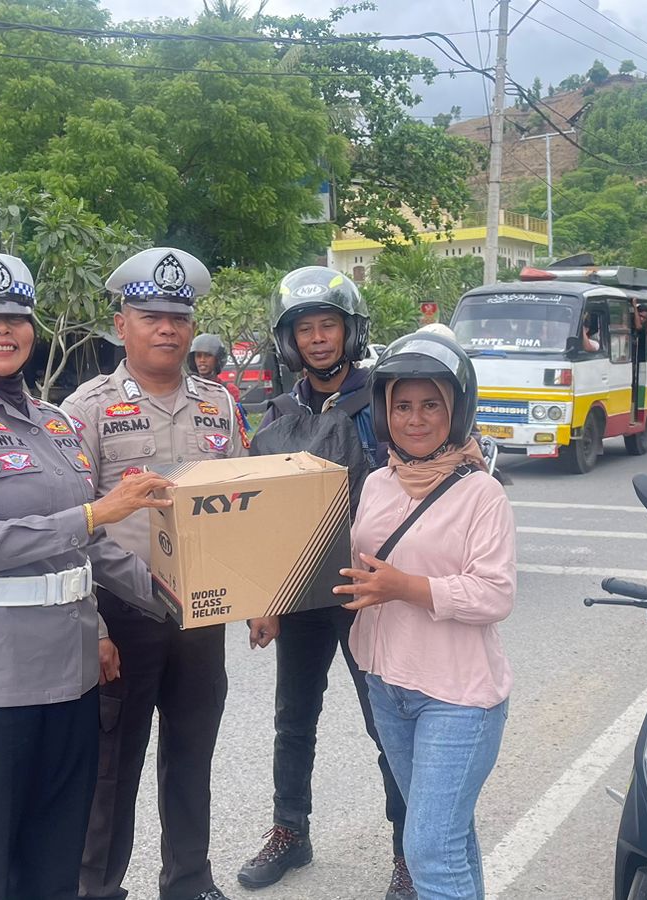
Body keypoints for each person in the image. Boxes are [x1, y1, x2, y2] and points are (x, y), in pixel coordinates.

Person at [0, 252, 174, 900]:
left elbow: (86, 545)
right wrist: (97, 510)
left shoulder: (54, 423)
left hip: (66, 684)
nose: (2, 329)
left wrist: (176, 596)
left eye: (16, 317)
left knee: (54, 872)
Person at [64, 248, 276, 900]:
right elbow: (72, 527)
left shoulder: (218, 404)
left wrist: (257, 595)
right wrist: (94, 628)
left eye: (178, 318)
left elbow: (240, 503)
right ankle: (97, 889)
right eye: (150, 316)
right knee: (112, 768)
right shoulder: (86, 408)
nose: (167, 329)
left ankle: (189, 881)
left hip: (199, 612)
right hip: (121, 612)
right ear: (121, 325)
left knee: (191, 755)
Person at [237, 266, 413, 900]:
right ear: (289, 340)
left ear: (349, 331)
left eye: (327, 326)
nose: (316, 339)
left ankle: (409, 851)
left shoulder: (385, 401)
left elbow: (430, 462)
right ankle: (291, 831)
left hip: (368, 589)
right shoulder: (278, 413)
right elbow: (257, 512)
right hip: (299, 590)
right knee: (293, 717)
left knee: (385, 724)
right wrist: (261, 597)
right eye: (305, 329)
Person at [335, 331, 515, 900]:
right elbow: (352, 562)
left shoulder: (482, 493)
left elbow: (494, 594)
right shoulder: (377, 483)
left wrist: (405, 587)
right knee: (448, 838)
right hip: (387, 686)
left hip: (457, 697)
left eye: (431, 405)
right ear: (384, 413)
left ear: (456, 411)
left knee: (429, 849)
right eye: (403, 406)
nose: (415, 420)